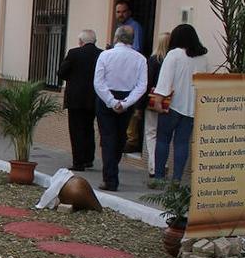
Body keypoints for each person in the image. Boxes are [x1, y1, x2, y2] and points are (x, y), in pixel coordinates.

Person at [151, 23, 212, 185]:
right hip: (191, 108)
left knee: (163, 140)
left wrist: (158, 100)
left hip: (172, 105)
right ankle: (177, 179)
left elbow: (165, 80)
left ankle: (158, 178)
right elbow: (206, 84)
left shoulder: (174, 54)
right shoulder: (203, 59)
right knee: (182, 143)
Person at [92, 25, 147, 192]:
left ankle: (110, 178)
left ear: (116, 38)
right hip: (126, 99)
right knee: (120, 137)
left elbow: (98, 82)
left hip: (106, 99)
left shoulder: (105, 55)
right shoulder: (140, 59)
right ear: (132, 39)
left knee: (108, 138)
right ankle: (111, 172)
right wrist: (125, 103)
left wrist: (111, 101)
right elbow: (141, 85)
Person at [58, 30, 102, 171]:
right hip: (93, 97)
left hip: (76, 98)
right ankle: (89, 158)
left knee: (76, 129)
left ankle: (78, 162)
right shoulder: (101, 54)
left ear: (81, 42)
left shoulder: (74, 53)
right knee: (89, 127)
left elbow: (61, 72)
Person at [142, 32, 170, 179]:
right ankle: (163, 164)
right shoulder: (172, 61)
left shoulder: (154, 60)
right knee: (163, 135)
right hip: (169, 102)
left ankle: (153, 166)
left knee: (151, 133)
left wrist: (141, 104)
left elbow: (148, 82)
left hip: (153, 101)